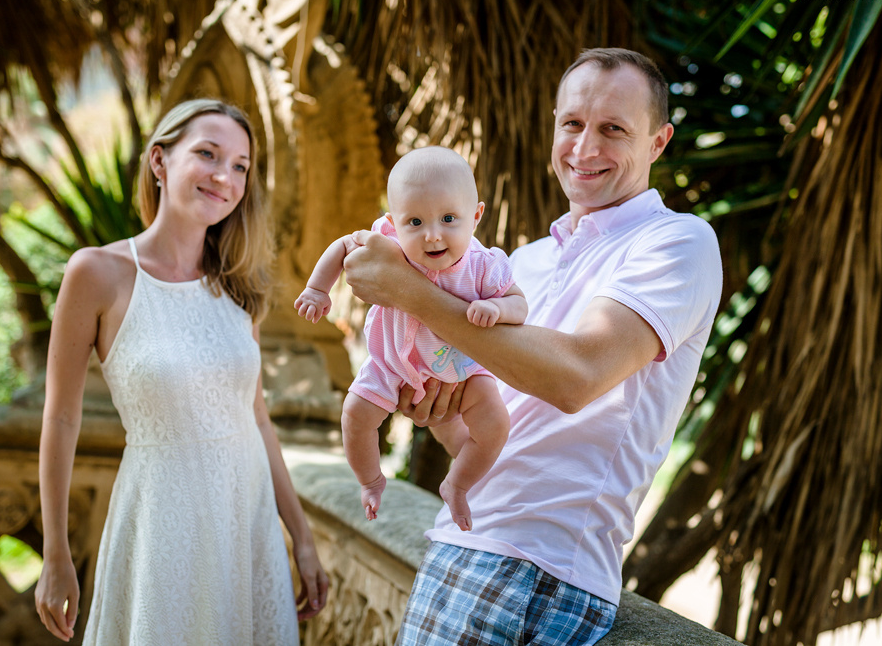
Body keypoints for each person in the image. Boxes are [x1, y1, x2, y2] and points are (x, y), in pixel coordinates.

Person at [343, 48, 723, 644]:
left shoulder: (679, 241)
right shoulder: (521, 263)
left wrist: (407, 291)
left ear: (658, 141)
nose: (585, 147)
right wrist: (434, 407)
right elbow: (477, 434)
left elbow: (577, 377)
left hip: (542, 566)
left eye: (613, 129)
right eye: (572, 124)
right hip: (459, 538)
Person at [35, 99, 328, 645]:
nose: (225, 176)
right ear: (160, 161)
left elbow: (258, 420)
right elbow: (62, 418)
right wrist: (56, 553)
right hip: (160, 526)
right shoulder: (97, 272)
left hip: (247, 525)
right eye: (208, 154)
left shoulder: (240, 286)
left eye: (241, 165)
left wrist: (302, 538)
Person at [295, 146, 527, 532]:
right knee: (355, 415)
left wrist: (500, 310)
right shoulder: (387, 245)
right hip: (392, 364)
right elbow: (342, 245)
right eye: (415, 222)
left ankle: (457, 484)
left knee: (495, 425)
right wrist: (318, 289)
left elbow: (519, 303)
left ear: (476, 216)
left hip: (464, 368)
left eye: (449, 219)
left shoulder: (485, 266)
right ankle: (371, 481)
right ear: (392, 223)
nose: (433, 235)